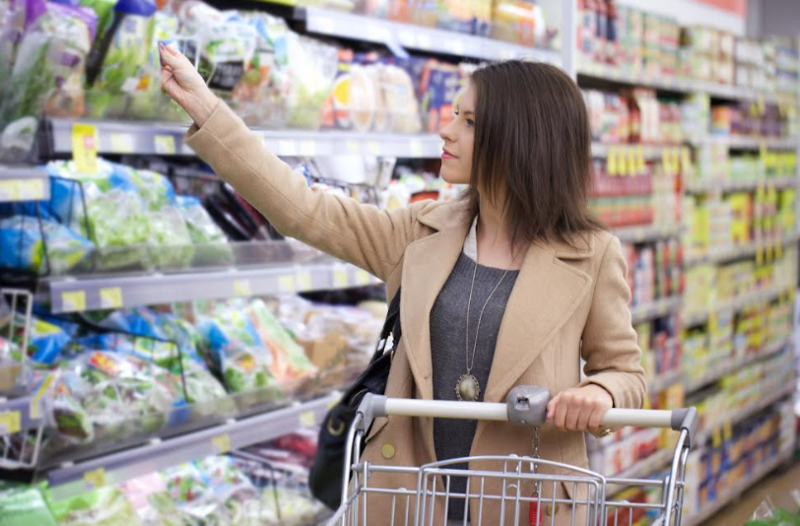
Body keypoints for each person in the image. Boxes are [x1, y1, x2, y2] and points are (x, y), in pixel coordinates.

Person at [159, 43, 645, 525]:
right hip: (411, 501)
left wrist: (601, 393)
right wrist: (208, 109)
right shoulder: (419, 234)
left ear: (521, 138)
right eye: (454, 115)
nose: (446, 130)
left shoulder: (590, 255)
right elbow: (303, 209)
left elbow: (625, 372)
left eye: (470, 121)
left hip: (524, 504)